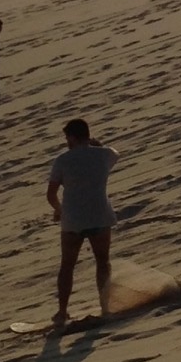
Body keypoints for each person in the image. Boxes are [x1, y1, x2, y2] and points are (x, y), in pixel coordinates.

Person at [46, 116, 118, 331]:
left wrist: (59, 210)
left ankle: (62, 311)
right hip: (99, 215)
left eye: (67, 137)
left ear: (73, 137)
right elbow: (113, 152)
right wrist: (95, 144)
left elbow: (51, 194)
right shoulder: (105, 155)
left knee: (67, 266)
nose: (66, 141)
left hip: (73, 219)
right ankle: (105, 306)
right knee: (102, 261)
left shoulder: (62, 160)